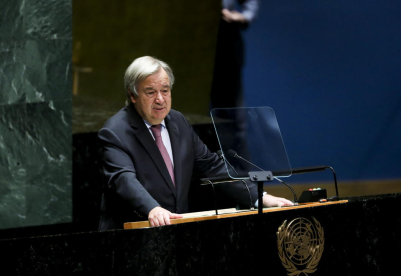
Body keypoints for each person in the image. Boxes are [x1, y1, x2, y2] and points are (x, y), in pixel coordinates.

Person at [98, 56, 292, 230]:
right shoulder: (115, 131)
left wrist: (261, 198)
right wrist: (153, 208)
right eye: (150, 92)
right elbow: (123, 179)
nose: (160, 99)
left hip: (176, 229)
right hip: (129, 236)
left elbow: (212, 166)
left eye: (165, 91)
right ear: (133, 96)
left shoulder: (178, 122)